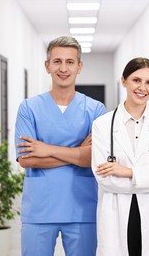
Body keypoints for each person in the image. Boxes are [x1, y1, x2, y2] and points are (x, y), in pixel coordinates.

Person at [14, 36, 106, 256]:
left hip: (82, 209)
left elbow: (95, 158)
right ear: (47, 66)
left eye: (70, 62)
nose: (63, 68)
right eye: (57, 61)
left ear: (79, 66)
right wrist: (78, 152)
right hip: (39, 210)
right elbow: (27, 160)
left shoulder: (96, 110)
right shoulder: (29, 108)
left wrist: (47, 149)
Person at [92, 57, 149, 256]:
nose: (142, 88)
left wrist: (127, 172)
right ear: (124, 80)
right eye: (136, 80)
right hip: (116, 214)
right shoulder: (102, 125)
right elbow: (105, 180)